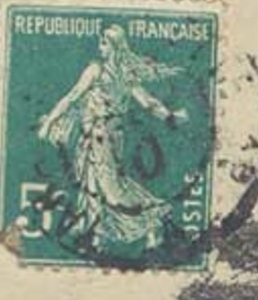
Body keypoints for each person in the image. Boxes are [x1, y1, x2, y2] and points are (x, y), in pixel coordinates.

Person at [36, 25, 190, 254]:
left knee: (111, 189)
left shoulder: (97, 70)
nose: (100, 46)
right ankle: (98, 238)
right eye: (101, 42)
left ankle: (154, 219)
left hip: (101, 137)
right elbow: (147, 104)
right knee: (94, 185)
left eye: (105, 42)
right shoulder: (121, 73)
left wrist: (50, 122)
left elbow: (73, 97)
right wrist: (170, 117)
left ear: (115, 46)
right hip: (105, 136)